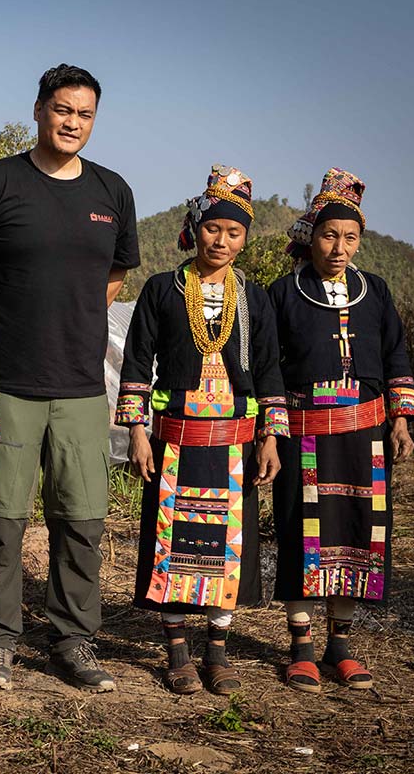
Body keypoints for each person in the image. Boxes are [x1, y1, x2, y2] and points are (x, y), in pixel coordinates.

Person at [0, 63, 139, 691]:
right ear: (38, 110)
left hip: (82, 384)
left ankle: (73, 641)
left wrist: (71, 318)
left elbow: (116, 275)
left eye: (84, 114)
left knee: (81, 521)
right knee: (2, 520)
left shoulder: (112, 192)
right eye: (62, 109)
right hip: (6, 382)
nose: (72, 122)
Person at [117, 165, 288, 695]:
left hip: (235, 443)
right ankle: (176, 652)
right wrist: (137, 433)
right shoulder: (163, 289)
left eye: (234, 232)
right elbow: (136, 363)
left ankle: (216, 651)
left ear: (244, 239)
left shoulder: (253, 297)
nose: (221, 240)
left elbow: (269, 369)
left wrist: (271, 437)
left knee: (227, 546)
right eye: (213, 228)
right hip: (174, 440)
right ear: (195, 228)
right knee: (172, 543)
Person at [269, 169, 414, 693]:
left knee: (356, 531)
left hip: (364, 434)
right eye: (330, 235)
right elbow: (267, 367)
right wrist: (270, 432)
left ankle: (341, 648)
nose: (339, 248)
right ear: (311, 236)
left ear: (360, 241)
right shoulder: (283, 293)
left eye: (350, 238)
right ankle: (302, 649)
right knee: (301, 533)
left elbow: (395, 354)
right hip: (304, 434)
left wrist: (400, 419)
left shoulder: (375, 291)